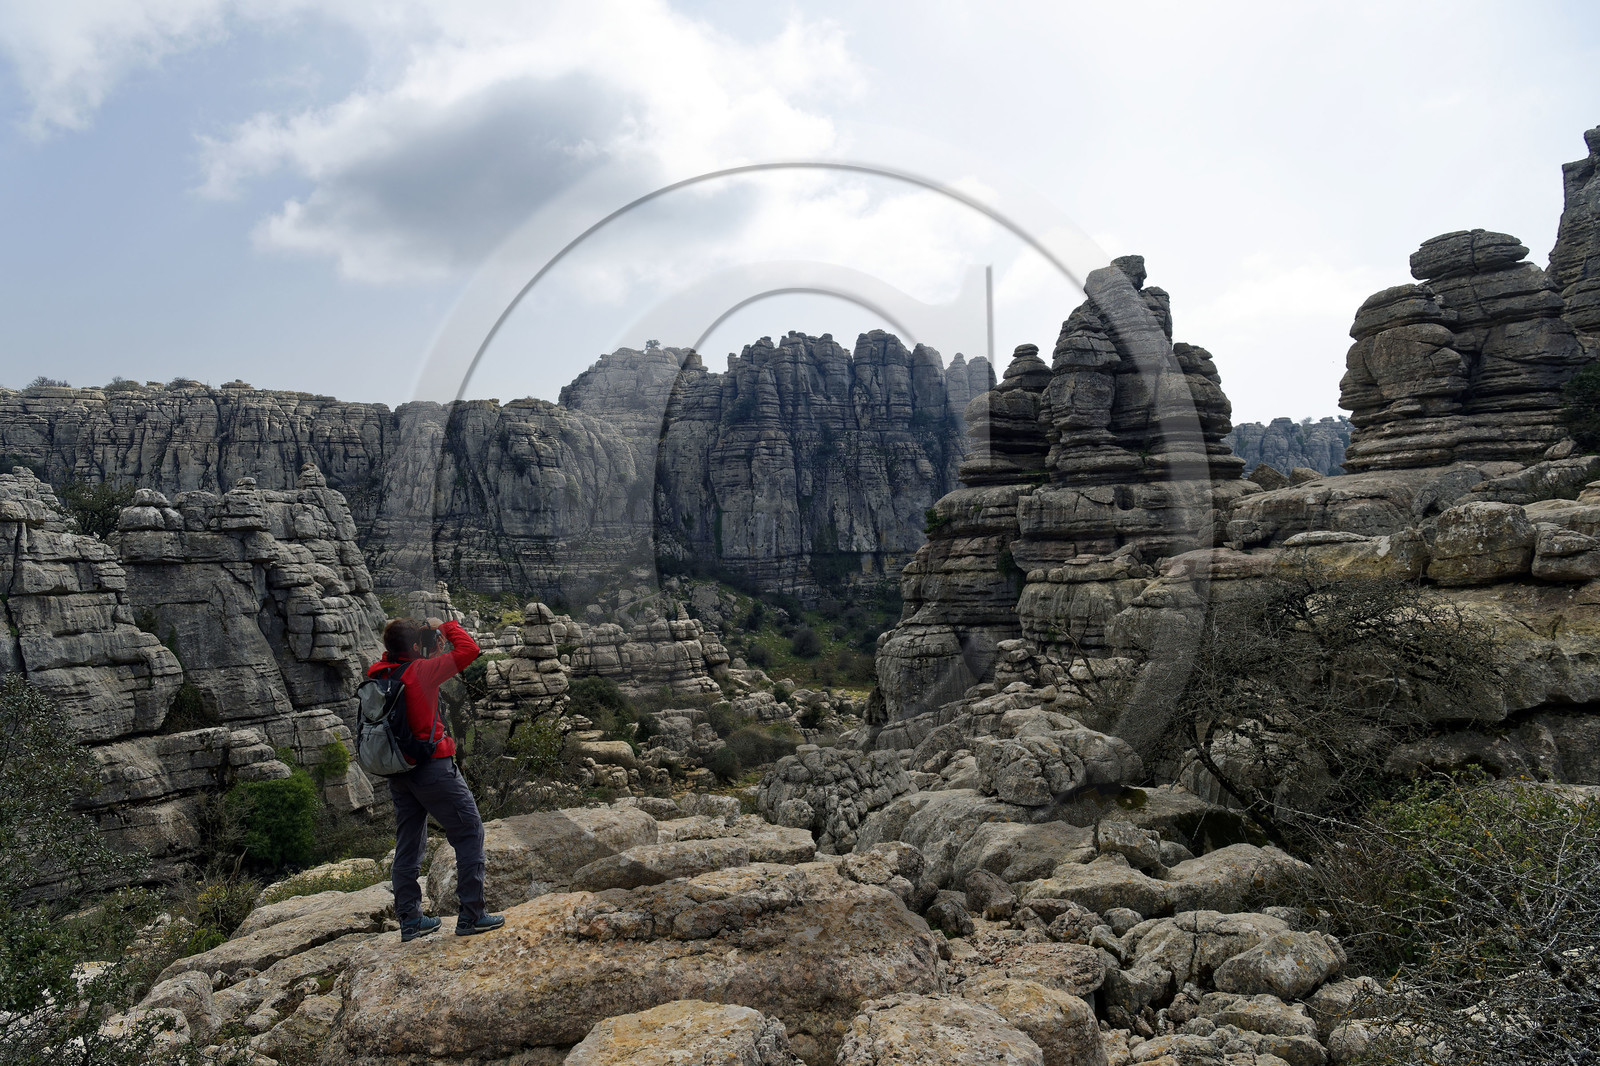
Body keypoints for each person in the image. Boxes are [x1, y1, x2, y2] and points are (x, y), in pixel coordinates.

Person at [368, 614, 505, 941]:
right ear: (416, 646)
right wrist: (444, 626)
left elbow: (407, 674)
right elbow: (470, 649)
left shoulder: (379, 672)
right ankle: (472, 916)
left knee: (409, 844)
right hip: (433, 770)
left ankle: (411, 921)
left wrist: (420, 647)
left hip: (399, 771)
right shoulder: (422, 672)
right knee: (469, 831)